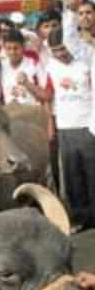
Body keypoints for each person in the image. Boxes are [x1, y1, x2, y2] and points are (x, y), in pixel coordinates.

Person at [46, 27, 95, 229]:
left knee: (92, 174)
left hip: (88, 126)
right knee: (72, 176)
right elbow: (47, 96)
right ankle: (80, 218)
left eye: (64, 48)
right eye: (56, 50)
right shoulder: (50, 67)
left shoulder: (86, 63)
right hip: (65, 128)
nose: (61, 54)